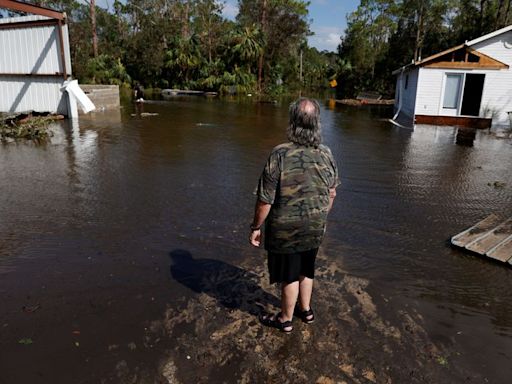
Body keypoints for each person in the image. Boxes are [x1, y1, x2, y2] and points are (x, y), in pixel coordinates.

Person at [250, 97, 339, 333]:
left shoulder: (279, 154)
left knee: (289, 274)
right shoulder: (326, 153)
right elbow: (332, 193)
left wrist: (256, 227)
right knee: (307, 268)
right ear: (317, 123)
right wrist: (320, 217)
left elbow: (265, 200)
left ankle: (285, 319)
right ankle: (306, 310)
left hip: (286, 228)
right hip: (315, 224)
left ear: (293, 122)